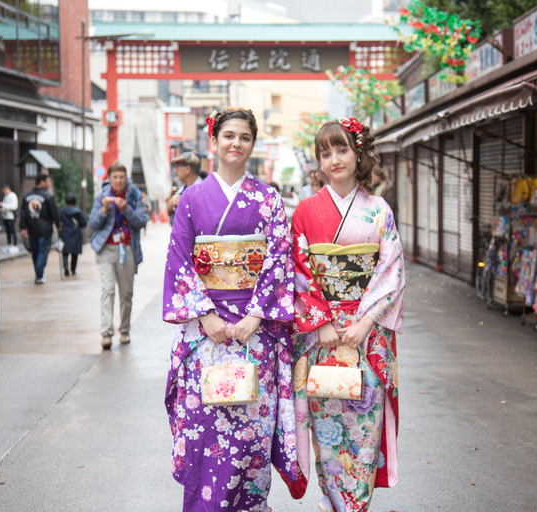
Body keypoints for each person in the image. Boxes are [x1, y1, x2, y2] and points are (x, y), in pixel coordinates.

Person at [162, 108, 296, 511]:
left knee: (252, 435)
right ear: (214, 142)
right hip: (206, 335)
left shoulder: (268, 198)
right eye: (228, 136)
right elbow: (179, 260)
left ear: (253, 145)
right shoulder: (192, 198)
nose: (236, 143)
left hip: (256, 334)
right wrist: (204, 314)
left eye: (244, 137)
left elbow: (279, 258)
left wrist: (256, 315)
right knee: (205, 431)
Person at [289, 118, 405, 512]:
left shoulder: (378, 210)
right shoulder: (306, 211)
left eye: (342, 150)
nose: (334, 159)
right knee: (326, 419)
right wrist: (320, 322)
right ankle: (330, 500)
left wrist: (366, 322)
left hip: (366, 335)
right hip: (321, 337)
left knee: (364, 420)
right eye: (325, 153)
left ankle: (356, 504)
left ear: (358, 154)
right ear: (318, 162)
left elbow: (392, 271)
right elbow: (298, 270)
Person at [89, 162, 147, 349]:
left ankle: (124, 331)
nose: (118, 180)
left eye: (122, 177)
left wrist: (125, 208)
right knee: (108, 290)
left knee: (126, 293)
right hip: (106, 250)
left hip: (127, 249)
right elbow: (93, 224)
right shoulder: (102, 196)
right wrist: (105, 209)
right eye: (115, 177)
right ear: (110, 178)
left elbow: (140, 222)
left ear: (126, 177)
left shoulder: (134, 195)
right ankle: (106, 333)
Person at [20, 173, 60, 284]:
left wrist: (23, 227)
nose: (49, 184)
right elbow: (54, 213)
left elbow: (23, 213)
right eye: (47, 181)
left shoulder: (26, 196)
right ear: (42, 182)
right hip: (45, 229)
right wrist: (58, 225)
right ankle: (39, 273)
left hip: (32, 229)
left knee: (35, 252)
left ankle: (39, 274)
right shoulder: (48, 196)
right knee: (42, 251)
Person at [166, 152, 203, 227]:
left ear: (187, 169)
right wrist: (170, 210)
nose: (175, 170)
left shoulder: (202, 192)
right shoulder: (179, 193)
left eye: (177, 167)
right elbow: (176, 227)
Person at [59, 193, 87, 276]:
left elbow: (58, 222)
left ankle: (66, 267)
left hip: (65, 233)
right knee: (75, 252)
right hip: (76, 233)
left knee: (65, 251)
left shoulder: (62, 211)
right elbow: (84, 223)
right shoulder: (78, 211)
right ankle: (73, 269)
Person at [0, 184, 19, 249]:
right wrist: (2, 209)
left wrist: (3, 205)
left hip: (11, 216)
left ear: (6, 189)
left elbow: (14, 206)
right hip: (5, 216)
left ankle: (15, 245)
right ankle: (9, 245)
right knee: (8, 232)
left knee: (12, 231)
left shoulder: (13, 195)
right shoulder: (5, 196)